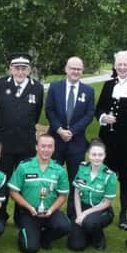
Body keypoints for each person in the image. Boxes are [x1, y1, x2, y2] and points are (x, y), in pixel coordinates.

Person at [95, 50, 127, 230]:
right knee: (105, 176)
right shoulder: (109, 85)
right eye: (119, 64)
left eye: (125, 64)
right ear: (115, 66)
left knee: (125, 178)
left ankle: (124, 213)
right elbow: (99, 108)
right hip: (108, 139)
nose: (122, 67)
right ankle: (103, 210)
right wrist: (103, 117)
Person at [0, 53, 44, 222]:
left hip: (26, 143)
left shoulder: (37, 88)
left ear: (29, 70)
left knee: (24, 181)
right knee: (3, 179)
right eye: (17, 68)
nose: (20, 72)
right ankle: (0, 213)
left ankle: (21, 215)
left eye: (24, 68)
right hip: (5, 143)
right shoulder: (0, 85)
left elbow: (36, 115)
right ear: (11, 68)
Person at [45, 56, 95, 217]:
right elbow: (49, 110)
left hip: (77, 143)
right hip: (56, 142)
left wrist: (72, 131)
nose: (75, 71)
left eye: (79, 69)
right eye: (72, 68)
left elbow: (89, 114)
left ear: (82, 71)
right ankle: (50, 212)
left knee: (75, 180)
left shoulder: (88, 91)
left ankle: (73, 214)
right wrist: (59, 129)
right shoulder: (55, 87)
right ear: (66, 69)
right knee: (53, 178)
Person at [8, 134, 72, 253]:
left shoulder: (60, 170)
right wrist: (29, 207)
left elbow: (63, 195)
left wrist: (51, 210)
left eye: (49, 147)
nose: (46, 150)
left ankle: (45, 238)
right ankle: (28, 233)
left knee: (66, 227)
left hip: (50, 212)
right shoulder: (24, 166)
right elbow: (13, 192)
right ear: (36, 147)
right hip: (29, 212)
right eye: (43, 146)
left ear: (54, 148)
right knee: (30, 249)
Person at [67, 139, 116, 251]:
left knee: (89, 222)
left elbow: (107, 202)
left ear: (104, 156)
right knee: (75, 246)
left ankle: (98, 239)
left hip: (101, 209)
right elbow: (76, 192)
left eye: (100, 154)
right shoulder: (82, 167)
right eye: (94, 154)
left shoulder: (110, 175)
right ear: (88, 155)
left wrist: (85, 214)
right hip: (83, 207)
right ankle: (87, 233)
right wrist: (79, 214)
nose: (97, 158)